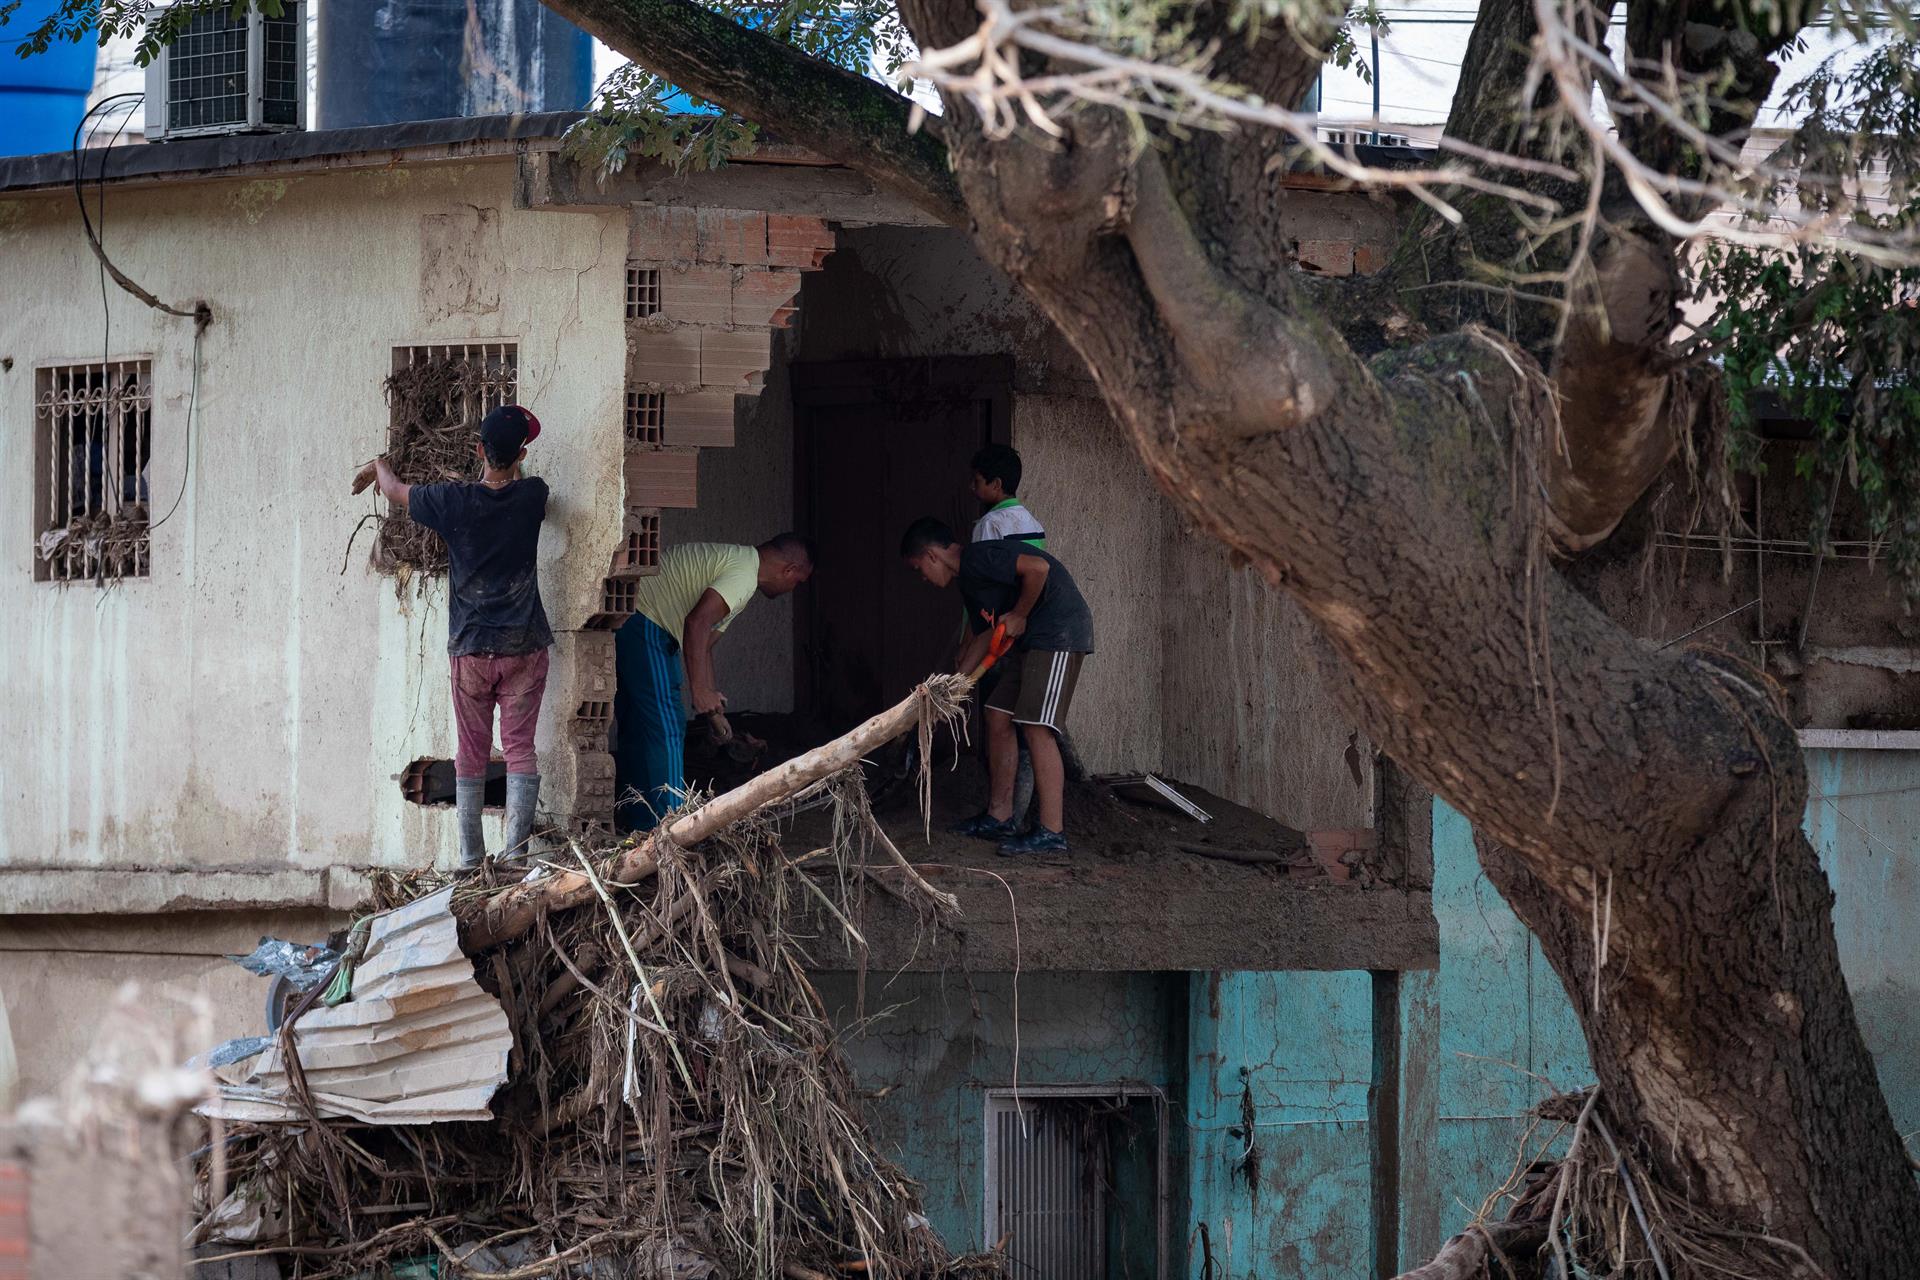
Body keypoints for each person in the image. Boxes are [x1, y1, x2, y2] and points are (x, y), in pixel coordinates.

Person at [353, 405, 552, 868]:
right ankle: (517, 858)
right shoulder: (534, 495)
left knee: (472, 753)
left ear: (478, 449)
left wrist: (378, 466)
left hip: (471, 653)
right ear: (522, 453)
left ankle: (469, 862)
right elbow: (518, 482)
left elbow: (395, 490)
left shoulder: (452, 502)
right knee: (520, 747)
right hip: (525, 647)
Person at [901, 517, 1094, 855]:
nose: (923, 578)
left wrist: (1019, 613)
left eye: (920, 568)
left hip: (1058, 633)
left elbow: (1037, 568)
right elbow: (984, 635)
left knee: (1036, 726)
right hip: (1033, 642)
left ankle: (1052, 832)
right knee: (996, 714)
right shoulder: (970, 584)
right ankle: (999, 817)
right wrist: (956, 685)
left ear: (932, 556)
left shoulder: (979, 557)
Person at [614, 535, 815, 831]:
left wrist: (714, 712)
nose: (793, 589)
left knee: (640, 727)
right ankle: (672, 827)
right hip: (645, 620)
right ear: (788, 570)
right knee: (667, 726)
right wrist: (699, 691)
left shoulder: (742, 571)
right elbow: (695, 623)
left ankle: (638, 823)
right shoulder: (743, 575)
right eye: (798, 581)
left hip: (642, 621)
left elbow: (704, 644)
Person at [968, 443, 1046, 548]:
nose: (971, 486)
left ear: (996, 484)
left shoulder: (989, 523)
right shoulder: (1035, 525)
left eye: (977, 481)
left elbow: (981, 564)